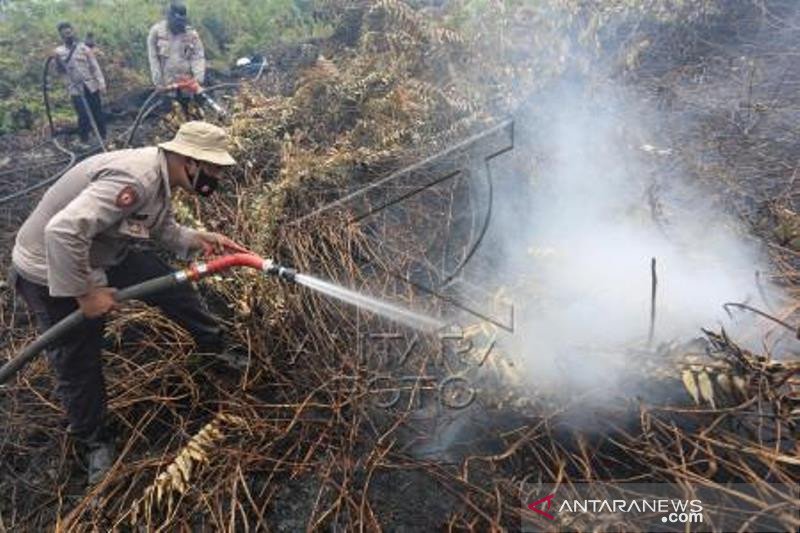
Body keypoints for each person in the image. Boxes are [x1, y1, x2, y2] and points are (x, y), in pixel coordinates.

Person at [10, 121, 245, 485]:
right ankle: (93, 440)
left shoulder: (162, 178)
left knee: (172, 288)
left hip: (104, 250)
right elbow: (62, 232)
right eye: (212, 168)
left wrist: (198, 238)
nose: (215, 176)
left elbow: (159, 228)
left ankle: (215, 349)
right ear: (188, 159)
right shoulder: (136, 179)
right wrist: (86, 294)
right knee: (78, 359)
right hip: (50, 266)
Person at [54, 22, 107, 143]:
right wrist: (58, 62)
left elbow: (95, 67)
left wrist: (101, 84)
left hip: (91, 86)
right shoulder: (58, 52)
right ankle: (84, 140)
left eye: (69, 31)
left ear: (73, 32)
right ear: (61, 35)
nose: (68, 35)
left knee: (97, 112)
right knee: (83, 115)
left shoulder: (84, 48)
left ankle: (103, 137)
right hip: (75, 89)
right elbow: (59, 72)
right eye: (65, 33)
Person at [147, 1, 205, 91]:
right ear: (170, 17)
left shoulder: (191, 35)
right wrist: (158, 82)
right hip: (166, 85)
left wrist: (198, 79)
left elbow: (198, 57)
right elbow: (153, 58)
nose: (179, 24)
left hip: (187, 85)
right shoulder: (156, 33)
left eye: (182, 21)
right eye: (177, 20)